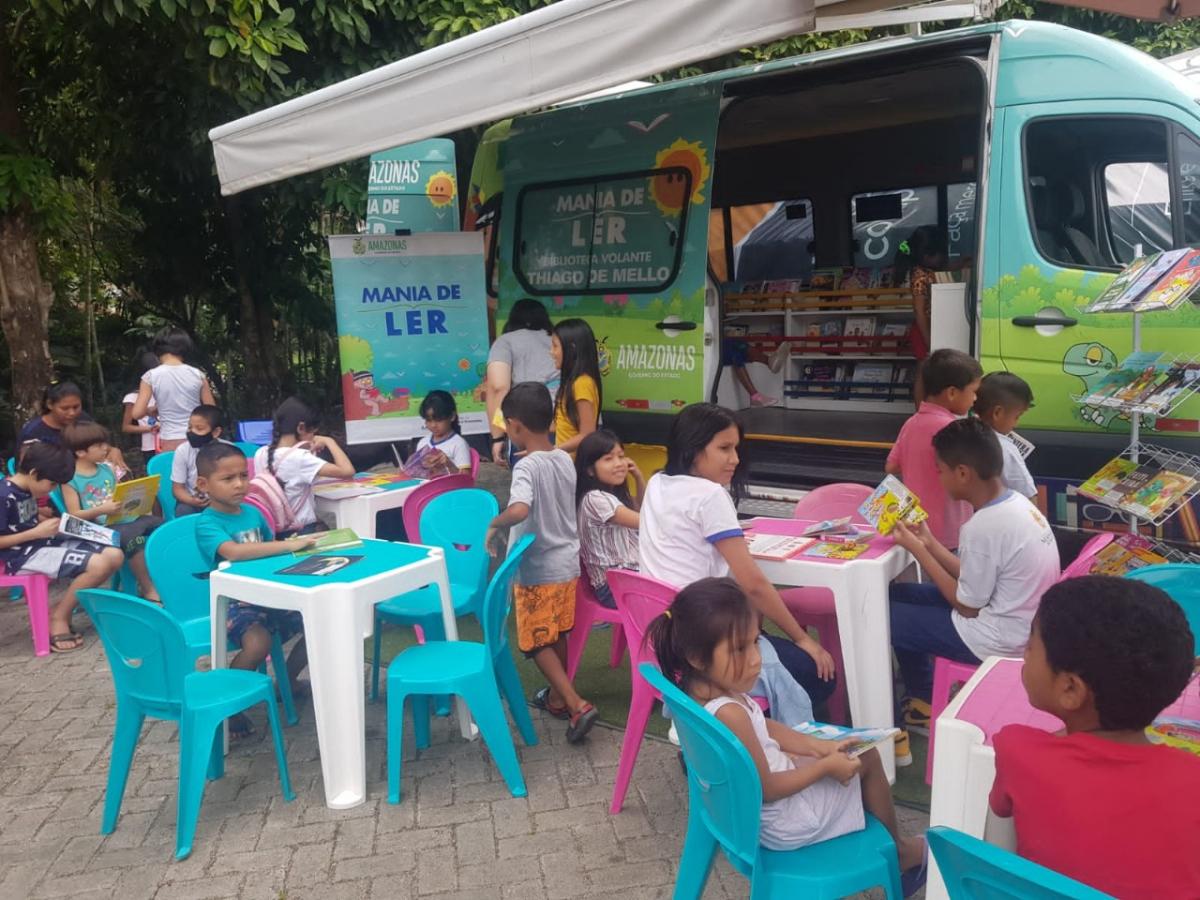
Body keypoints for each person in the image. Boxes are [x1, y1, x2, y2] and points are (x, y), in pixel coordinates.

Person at [647, 577, 927, 895]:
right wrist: (825, 767)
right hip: (786, 821)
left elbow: (763, 727)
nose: (756, 658)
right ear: (697, 656)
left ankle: (874, 836)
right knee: (868, 758)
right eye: (739, 649)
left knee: (845, 752)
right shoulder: (730, 712)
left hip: (745, 815)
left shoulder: (700, 691)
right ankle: (900, 854)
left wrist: (816, 746)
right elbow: (768, 789)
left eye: (756, 641)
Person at [990, 576, 1199, 898]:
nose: (1025, 654)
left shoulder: (1017, 750)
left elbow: (999, 833)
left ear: (1070, 689)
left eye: (1031, 645)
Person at [639, 402, 835, 721]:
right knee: (818, 672)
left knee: (761, 628)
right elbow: (754, 584)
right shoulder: (709, 495)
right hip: (704, 639)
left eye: (736, 448)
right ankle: (774, 736)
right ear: (693, 448)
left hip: (664, 636)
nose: (735, 459)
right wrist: (803, 640)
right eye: (724, 448)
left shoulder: (658, 483)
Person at [888, 417, 1060, 756]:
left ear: (963, 473)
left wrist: (919, 551)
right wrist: (931, 543)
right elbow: (974, 578)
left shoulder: (983, 526)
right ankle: (922, 699)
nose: (938, 479)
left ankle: (890, 726)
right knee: (897, 596)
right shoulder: (1014, 503)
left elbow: (967, 605)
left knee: (877, 617)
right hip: (1018, 623)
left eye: (940, 471)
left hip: (994, 638)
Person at [484, 382, 598, 743]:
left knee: (536, 642)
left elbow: (520, 510)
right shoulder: (563, 459)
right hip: (567, 564)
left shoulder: (526, 467)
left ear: (515, 426)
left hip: (538, 569)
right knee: (557, 633)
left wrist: (495, 523)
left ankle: (576, 703)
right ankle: (558, 699)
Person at [194, 443, 317, 737]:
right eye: (228, 478)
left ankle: (286, 681)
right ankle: (229, 703)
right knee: (258, 642)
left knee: (318, 624)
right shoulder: (207, 523)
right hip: (235, 604)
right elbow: (233, 552)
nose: (239, 484)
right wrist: (288, 545)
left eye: (243, 476)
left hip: (270, 595)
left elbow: (269, 552)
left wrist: (293, 549)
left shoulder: (253, 513)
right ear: (203, 484)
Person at [0, 440, 124, 653]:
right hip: (20, 556)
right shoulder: (4, 495)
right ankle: (59, 616)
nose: (52, 490)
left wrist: (45, 520)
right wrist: (35, 532)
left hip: (42, 543)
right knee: (99, 565)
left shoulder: (27, 488)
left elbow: (20, 518)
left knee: (114, 555)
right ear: (34, 473)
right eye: (52, 484)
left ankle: (61, 607)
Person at [885, 348, 981, 551]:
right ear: (952, 393)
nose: (975, 399)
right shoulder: (954, 430)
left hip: (914, 530)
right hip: (950, 534)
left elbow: (891, 466)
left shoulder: (911, 423)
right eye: (973, 392)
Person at [62, 422, 162, 604]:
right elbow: (74, 514)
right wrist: (101, 510)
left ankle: (168, 578)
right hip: (101, 527)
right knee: (134, 539)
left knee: (163, 527)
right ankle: (148, 589)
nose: (106, 448)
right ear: (81, 452)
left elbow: (120, 495)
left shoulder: (107, 469)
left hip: (126, 518)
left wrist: (140, 497)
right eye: (99, 445)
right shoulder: (71, 479)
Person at [253, 396, 355, 535]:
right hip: (302, 531)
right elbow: (347, 471)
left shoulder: (260, 453)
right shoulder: (300, 458)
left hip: (274, 530)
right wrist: (329, 441)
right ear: (301, 428)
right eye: (313, 432)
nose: (314, 437)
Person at [484, 299, 560, 462]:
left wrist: (498, 437)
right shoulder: (557, 339)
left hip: (527, 426)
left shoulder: (505, 341)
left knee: (528, 474)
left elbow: (498, 387)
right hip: (565, 423)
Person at [575, 429, 644, 609]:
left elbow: (642, 510)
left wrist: (638, 477)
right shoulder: (595, 499)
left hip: (629, 578)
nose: (619, 463)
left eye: (621, 456)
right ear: (590, 470)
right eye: (608, 459)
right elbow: (646, 521)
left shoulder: (612, 496)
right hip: (614, 586)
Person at [130, 326, 216, 451]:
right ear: (185, 348)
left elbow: (137, 414)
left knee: (172, 464)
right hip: (199, 436)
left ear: (157, 350)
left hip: (170, 438)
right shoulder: (198, 375)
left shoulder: (150, 376)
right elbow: (211, 410)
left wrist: (151, 411)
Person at [973, 371, 1036, 501]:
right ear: (997, 413)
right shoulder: (1005, 448)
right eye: (1017, 416)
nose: (1016, 424)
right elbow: (1028, 495)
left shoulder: (964, 436)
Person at [549, 317, 602, 454]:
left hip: (574, 464)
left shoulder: (582, 384)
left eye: (555, 346)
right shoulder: (572, 383)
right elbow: (563, 425)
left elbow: (587, 435)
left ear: (572, 348)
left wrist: (551, 452)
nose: (551, 352)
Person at [172, 405, 232, 517]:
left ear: (216, 432)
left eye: (199, 429)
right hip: (193, 502)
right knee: (183, 510)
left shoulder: (229, 451)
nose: (192, 432)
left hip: (223, 500)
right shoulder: (183, 451)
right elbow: (177, 489)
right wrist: (192, 500)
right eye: (190, 427)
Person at [414, 390, 472, 473]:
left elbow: (465, 478)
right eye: (429, 420)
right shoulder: (423, 443)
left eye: (438, 420)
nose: (433, 425)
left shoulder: (459, 444)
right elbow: (417, 473)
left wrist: (449, 465)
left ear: (452, 416)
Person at [122, 348, 161, 459]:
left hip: (170, 440)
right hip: (150, 447)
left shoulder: (164, 390)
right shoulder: (132, 397)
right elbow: (126, 427)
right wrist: (150, 429)